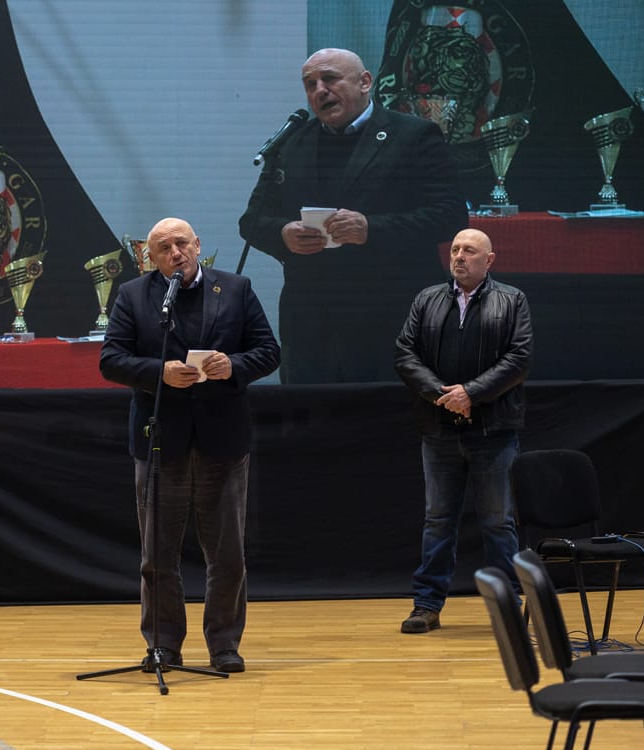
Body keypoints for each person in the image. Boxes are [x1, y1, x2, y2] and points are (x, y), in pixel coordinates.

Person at [100, 217, 280, 672]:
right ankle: (163, 645)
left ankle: (224, 644)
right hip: (162, 439)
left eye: (182, 243)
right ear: (151, 257)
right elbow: (111, 360)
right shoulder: (133, 295)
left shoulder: (236, 289)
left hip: (223, 439)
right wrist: (158, 373)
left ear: (198, 245)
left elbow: (268, 351)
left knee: (227, 553)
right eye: (163, 248)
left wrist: (233, 366)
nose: (175, 253)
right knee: (158, 555)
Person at [238, 47, 468, 383]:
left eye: (330, 79)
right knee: (310, 415)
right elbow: (252, 221)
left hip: (391, 317)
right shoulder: (292, 143)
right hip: (310, 325)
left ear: (365, 82)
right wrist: (283, 234)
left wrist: (371, 229)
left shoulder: (414, 136)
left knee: (386, 414)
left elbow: (450, 216)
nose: (320, 90)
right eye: (310, 84)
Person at [393, 228, 533, 634]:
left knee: (499, 523)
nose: (459, 256)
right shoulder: (427, 299)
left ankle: (507, 609)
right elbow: (405, 353)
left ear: (489, 260)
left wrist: (471, 393)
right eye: (455, 249)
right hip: (439, 429)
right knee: (438, 521)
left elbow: (519, 359)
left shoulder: (512, 300)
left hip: (494, 431)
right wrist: (442, 395)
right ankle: (427, 605)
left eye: (469, 251)